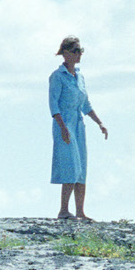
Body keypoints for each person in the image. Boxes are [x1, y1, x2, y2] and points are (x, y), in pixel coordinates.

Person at [49, 36, 108, 220]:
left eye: (80, 51)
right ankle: (63, 210)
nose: (78, 54)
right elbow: (53, 105)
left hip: (78, 124)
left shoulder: (80, 76)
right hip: (64, 123)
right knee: (70, 166)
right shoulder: (57, 76)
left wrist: (99, 122)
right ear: (65, 53)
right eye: (75, 51)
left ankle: (80, 211)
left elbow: (86, 104)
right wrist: (63, 127)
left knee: (81, 168)